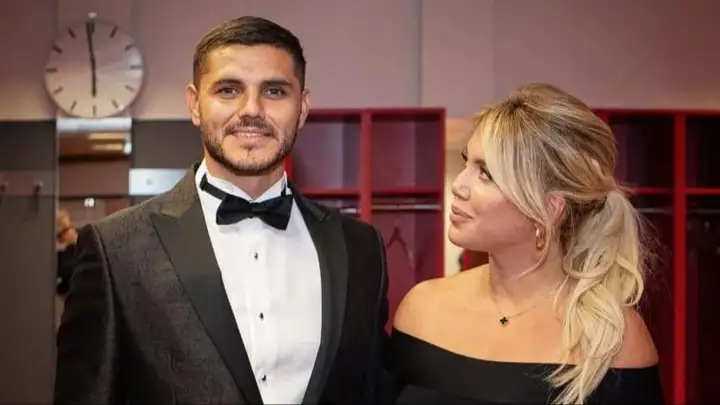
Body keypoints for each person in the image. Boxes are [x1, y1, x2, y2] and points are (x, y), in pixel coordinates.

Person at [54, 16, 390, 405]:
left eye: (275, 91)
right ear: (195, 104)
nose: (252, 110)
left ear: (302, 107)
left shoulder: (359, 247)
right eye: (228, 90)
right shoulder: (115, 248)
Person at [390, 83, 664, 404]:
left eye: (486, 173)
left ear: (549, 208)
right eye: (466, 163)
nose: (459, 185)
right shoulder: (421, 309)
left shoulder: (614, 341)